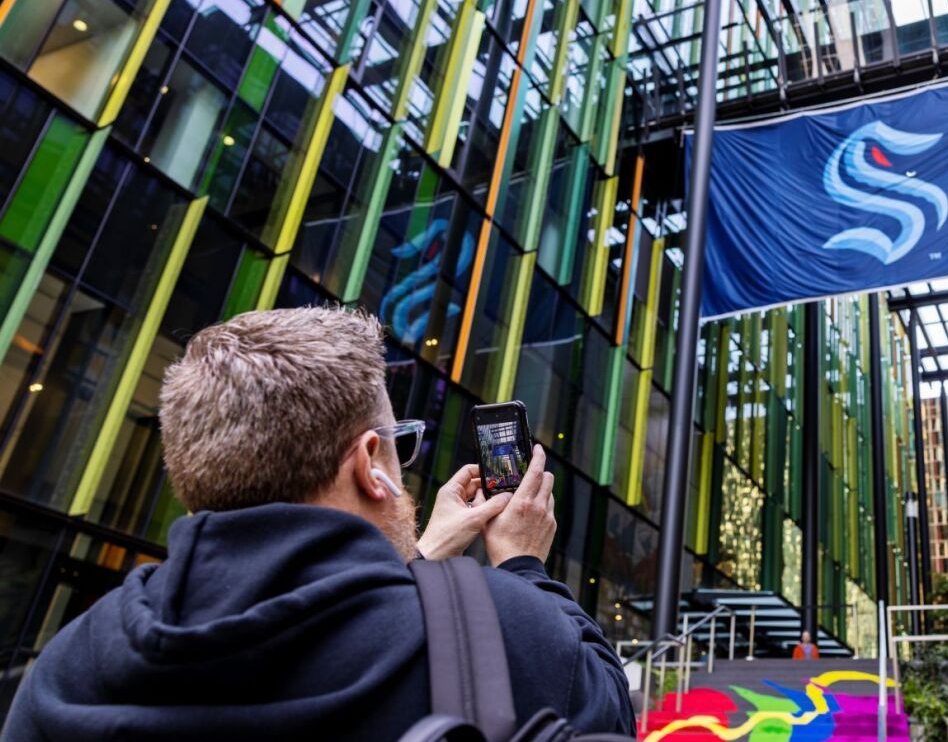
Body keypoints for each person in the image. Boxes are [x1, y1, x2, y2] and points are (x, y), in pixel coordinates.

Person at [0, 308, 634, 741]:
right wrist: (523, 566)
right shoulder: (501, 625)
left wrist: (426, 560)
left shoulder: (68, 667)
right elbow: (608, 713)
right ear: (368, 463)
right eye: (396, 444)